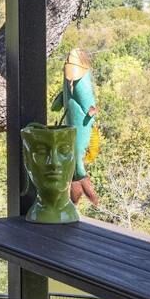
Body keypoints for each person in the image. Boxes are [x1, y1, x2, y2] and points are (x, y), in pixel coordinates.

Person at [58, 47, 101, 209]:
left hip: (83, 124)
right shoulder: (71, 82)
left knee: (78, 162)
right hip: (77, 124)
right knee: (77, 165)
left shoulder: (81, 80)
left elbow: (87, 103)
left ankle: (78, 188)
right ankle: (79, 186)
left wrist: (91, 113)